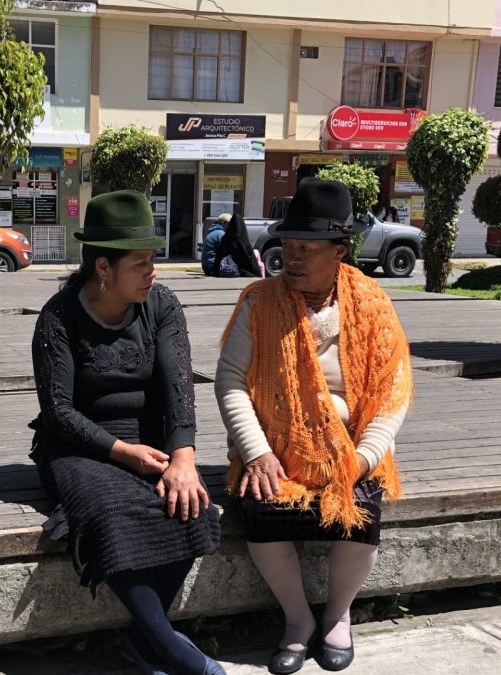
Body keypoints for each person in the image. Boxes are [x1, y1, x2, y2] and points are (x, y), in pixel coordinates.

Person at [214, 179, 413, 674]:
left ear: (340, 251)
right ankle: (299, 619)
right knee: (262, 509)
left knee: (361, 511)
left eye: (307, 247)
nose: (292, 257)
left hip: (352, 448)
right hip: (276, 449)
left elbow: (392, 392)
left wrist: (364, 458)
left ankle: (338, 616)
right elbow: (230, 380)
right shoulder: (260, 301)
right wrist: (257, 451)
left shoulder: (370, 304)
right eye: (288, 245)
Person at [30, 190, 224, 675]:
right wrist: (121, 453)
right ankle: (178, 652)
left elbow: (180, 386)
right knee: (109, 511)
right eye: (140, 262)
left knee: (192, 503)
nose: (151, 271)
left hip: (151, 436)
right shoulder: (58, 318)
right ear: (103, 267)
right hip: (81, 444)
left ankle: (143, 642)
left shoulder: (161, 305)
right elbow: (58, 411)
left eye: (152, 259)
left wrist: (182, 456)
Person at [217, 213, 264, 278]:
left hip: (227, 270)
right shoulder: (243, 239)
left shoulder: (225, 238)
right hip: (244, 271)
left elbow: (219, 255)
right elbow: (249, 257)